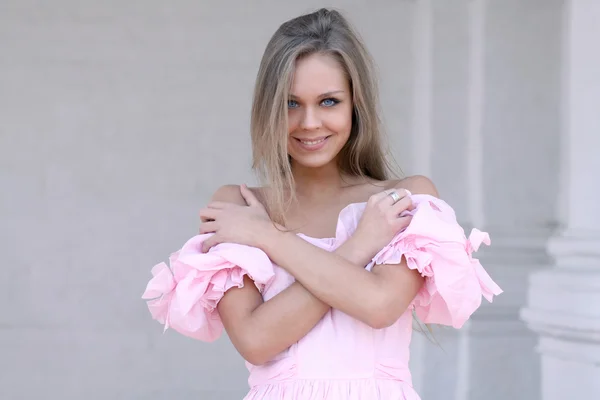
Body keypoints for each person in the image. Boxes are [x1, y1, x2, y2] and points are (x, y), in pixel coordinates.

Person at [142, 8, 503, 399]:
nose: (309, 123)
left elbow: (378, 305)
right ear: (268, 109)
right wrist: (358, 246)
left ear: (355, 105)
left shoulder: (404, 200)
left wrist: (268, 236)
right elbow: (256, 340)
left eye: (329, 102)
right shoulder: (239, 205)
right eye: (290, 104)